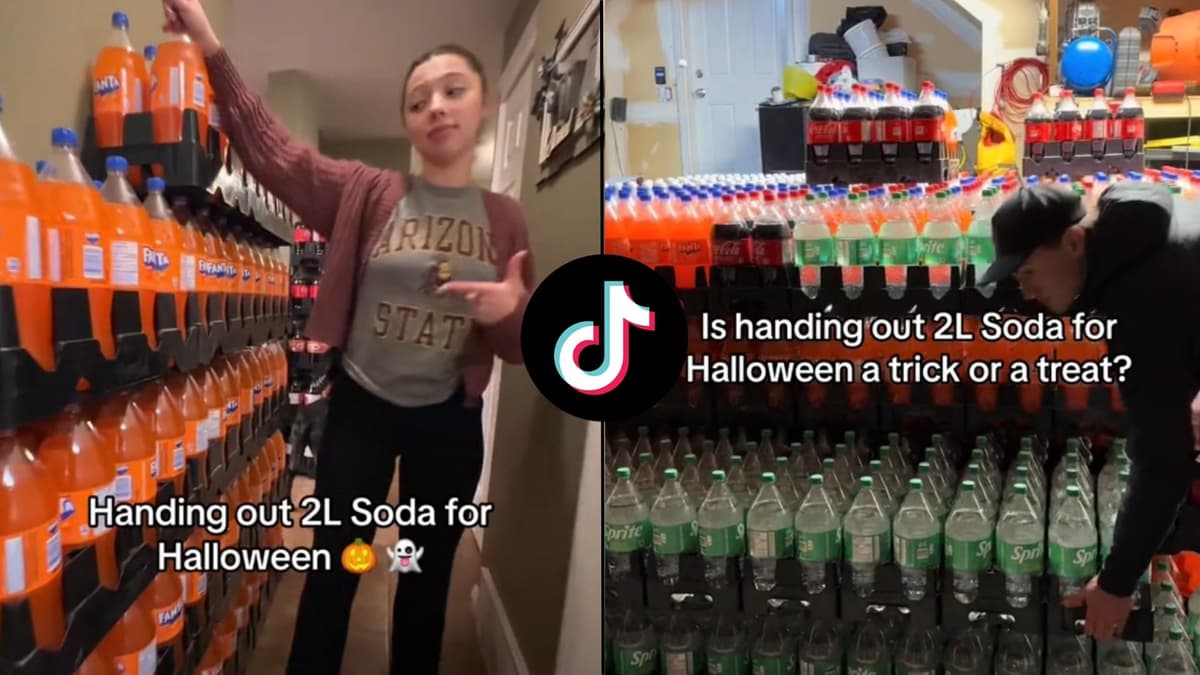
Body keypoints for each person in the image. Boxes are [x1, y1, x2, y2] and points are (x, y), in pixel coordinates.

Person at [159, 1, 533, 673]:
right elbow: (274, 153)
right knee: (336, 565)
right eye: (420, 98)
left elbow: (512, 346)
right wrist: (212, 46)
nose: (437, 106)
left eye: (455, 91)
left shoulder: (505, 219)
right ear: (407, 122)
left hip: (448, 427)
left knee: (421, 574)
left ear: (485, 106)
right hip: (362, 412)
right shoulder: (365, 189)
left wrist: (509, 308)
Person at [978, 180, 1200, 640]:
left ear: (1074, 242)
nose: (1026, 293)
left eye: (1029, 274)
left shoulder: (1141, 296)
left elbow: (1164, 461)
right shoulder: (1133, 223)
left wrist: (1117, 584)